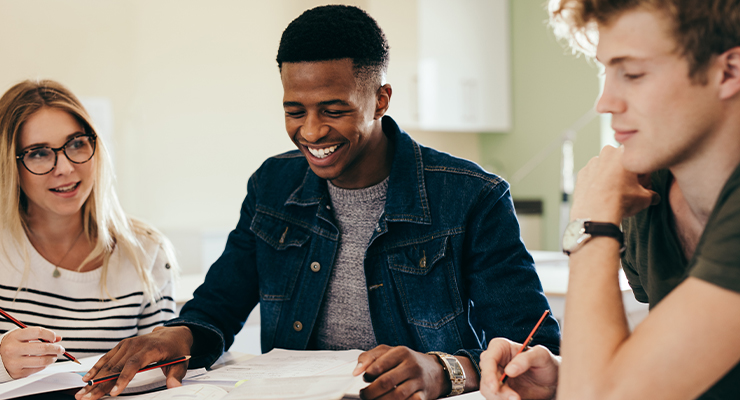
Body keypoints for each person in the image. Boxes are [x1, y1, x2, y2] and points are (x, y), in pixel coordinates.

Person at [76, 5, 560, 400]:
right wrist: (176, 337)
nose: (310, 132)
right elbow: (218, 306)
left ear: (381, 98)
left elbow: (533, 346)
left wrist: (443, 371)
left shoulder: (472, 195)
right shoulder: (272, 184)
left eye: (333, 110)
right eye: (294, 110)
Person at [479, 0, 740, 399]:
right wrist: (567, 375)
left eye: (633, 74)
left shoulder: (616, 202)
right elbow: (666, 370)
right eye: (607, 72)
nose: (606, 102)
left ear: (729, 71)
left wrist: (593, 219)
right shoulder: (649, 196)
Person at [0, 80, 177, 383]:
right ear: (9, 165)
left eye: (76, 143)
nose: (65, 168)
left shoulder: (146, 251)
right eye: (39, 153)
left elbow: (163, 373)